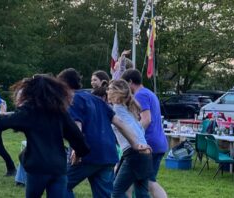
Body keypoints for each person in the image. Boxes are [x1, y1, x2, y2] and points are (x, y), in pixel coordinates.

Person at [0, 75, 91, 198]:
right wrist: (79, 153)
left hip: (37, 167)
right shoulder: (60, 113)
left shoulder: (29, 112)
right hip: (58, 166)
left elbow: (0, 122)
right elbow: (76, 136)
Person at [58, 68, 118, 198]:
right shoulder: (96, 99)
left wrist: (77, 150)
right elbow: (120, 123)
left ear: (63, 84)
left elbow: (76, 127)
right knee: (104, 195)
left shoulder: (72, 99)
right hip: (108, 153)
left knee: (61, 186)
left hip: (87, 152)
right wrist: (137, 143)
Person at [121, 69, 168, 197]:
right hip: (158, 142)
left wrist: (134, 137)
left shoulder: (140, 95)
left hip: (149, 143)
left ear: (130, 82)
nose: (125, 89)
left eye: (125, 84)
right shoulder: (149, 93)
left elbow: (146, 120)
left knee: (149, 182)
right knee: (142, 181)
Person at [108, 80, 154, 198]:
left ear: (116, 93)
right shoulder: (129, 110)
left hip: (134, 152)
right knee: (142, 193)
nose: (107, 92)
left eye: (109, 89)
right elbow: (140, 130)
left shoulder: (116, 110)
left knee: (117, 191)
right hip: (145, 152)